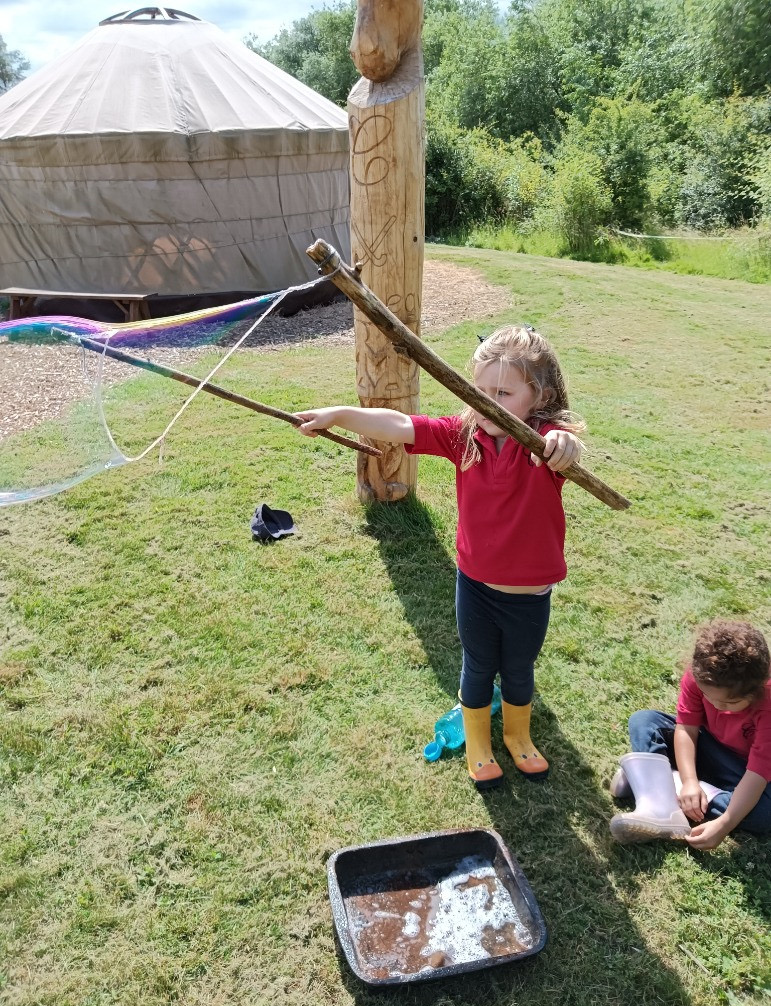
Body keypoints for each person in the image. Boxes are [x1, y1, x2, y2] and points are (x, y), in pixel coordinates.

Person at [295, 325, 584, 790]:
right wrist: (338, 415)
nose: (489, 402)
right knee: (476, 665)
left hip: (530, 595)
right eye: (480, 390)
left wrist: (565, 447)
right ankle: (478, 742)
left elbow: (567, 447)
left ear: (540, 395)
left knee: (518, 668)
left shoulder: (544, 443)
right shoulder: (462, 436)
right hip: (475, 585)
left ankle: (518, 735)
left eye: (505, 393)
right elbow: (400, 425)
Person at [610, 621, 771, 849]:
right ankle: (663, 796)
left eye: (729, 702)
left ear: (757, 689)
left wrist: (724, 823)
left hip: (746, 771)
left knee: (764, 814)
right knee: (644, 721)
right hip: (708, 747)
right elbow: (686, 728)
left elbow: (757, 773)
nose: (716, 706)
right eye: (709, 697)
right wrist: (689, 782)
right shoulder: (702, 674)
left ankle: (651, 783)